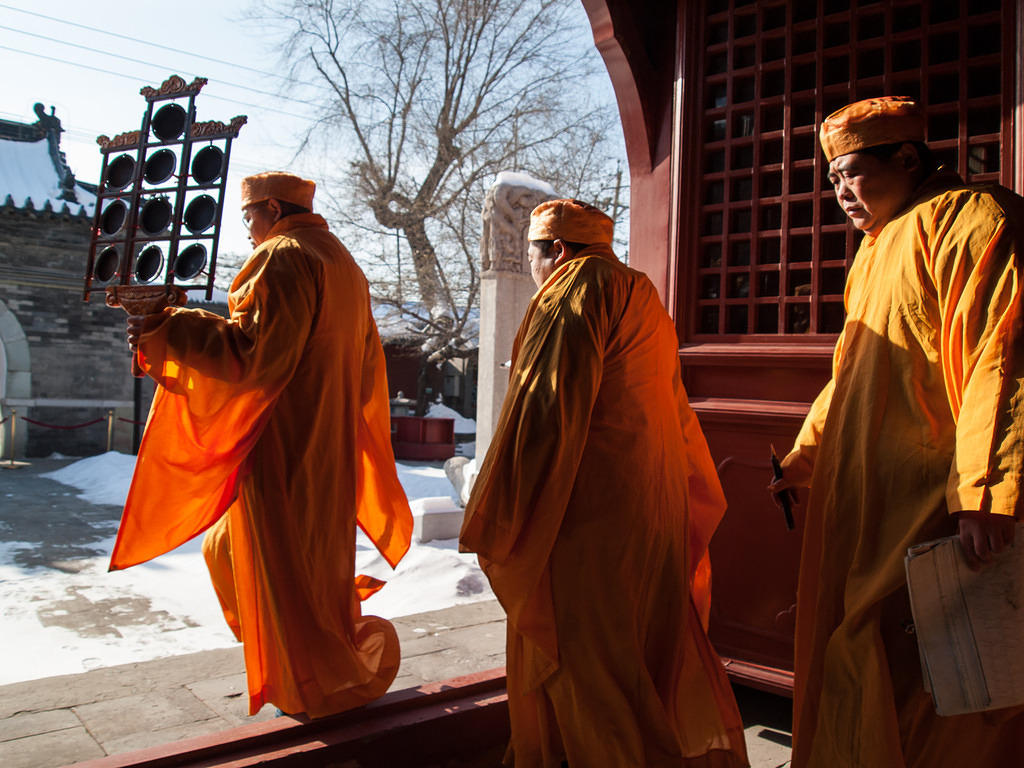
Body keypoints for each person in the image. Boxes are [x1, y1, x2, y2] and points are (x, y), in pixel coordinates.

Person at [769, 96, 1024, 766]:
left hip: (935, 506)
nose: (840, 192)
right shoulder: (876, 251)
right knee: (861, 656)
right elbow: (850, 376)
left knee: (931, 683)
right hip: (864, 506)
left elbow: (1001, 358)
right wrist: (804, 456)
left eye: (849, 172)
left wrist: (986, 494)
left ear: (907, 157)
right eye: (831, 180)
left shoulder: (973, 219)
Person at [110, 172, 413, 718]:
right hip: (329, 443)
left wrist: (169, 327)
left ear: (272, 209)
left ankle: (309, 683)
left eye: (249, 216)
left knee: (277, 565)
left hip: (284, 445)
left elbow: (254, 355)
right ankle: (316, 668)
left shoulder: (284, 255)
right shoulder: (341, 261)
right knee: (296, 560)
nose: (247, 231)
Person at [460, 199, 749, 767]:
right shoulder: (638, 289)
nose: (534, 271)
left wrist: (499, 514)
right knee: (636, 655)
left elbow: (546, 411)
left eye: (533, 258)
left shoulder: (576, 290)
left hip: (589, 515)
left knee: (586, 664)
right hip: (651, 501)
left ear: (558, 251)